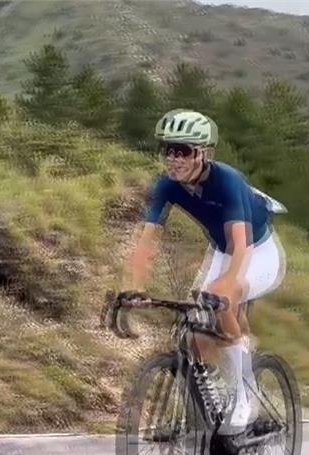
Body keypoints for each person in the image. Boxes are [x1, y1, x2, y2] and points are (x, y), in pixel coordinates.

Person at [116, 109, 287, 437]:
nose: (173, 159)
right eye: (168, 150)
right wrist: (133, 287)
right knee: (195, 336)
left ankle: (243, 397)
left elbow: (241, 244)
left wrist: (228, 286)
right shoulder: (166, 184)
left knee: (223, 299)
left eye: (182, 151)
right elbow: (145, 243)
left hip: (258, 251)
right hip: (221, 251)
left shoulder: (227, 180)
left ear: (203, 154)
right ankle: (207, 415)